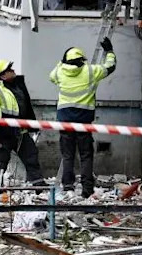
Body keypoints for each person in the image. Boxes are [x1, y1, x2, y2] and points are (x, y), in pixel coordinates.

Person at [49, 38, 117, 198]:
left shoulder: (59, 72)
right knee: (86, 155)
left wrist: (62, 61)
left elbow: (51, 76)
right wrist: (110, 51)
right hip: (84, 121)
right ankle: (87, 189)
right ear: (81, 60)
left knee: (68, 155)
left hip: (65, 120)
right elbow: (110, 67)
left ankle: (68, 187)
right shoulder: (91, 71)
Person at [0, 60, 45, 187]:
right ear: (2, 75)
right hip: (4, 133)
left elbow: (25, 107)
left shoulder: (17, 86)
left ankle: (38, 184)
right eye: (9, 70)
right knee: (1, 160)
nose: (13, 71)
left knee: (31, 155)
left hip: (20, 131)